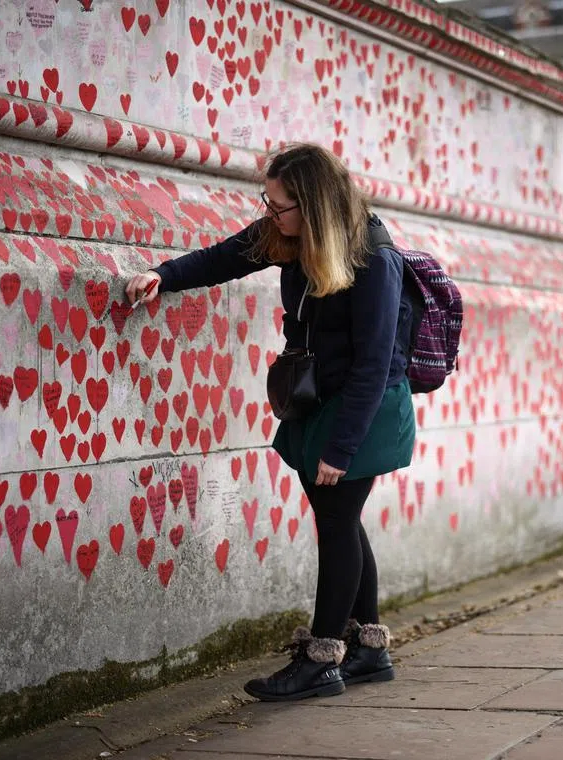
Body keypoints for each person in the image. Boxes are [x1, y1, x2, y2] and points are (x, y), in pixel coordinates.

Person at [125, 143, 416, 702]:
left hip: (364, 407)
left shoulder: (374, 258)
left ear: (312, 204)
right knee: (342, 520)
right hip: (316, 398)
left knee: (335, 523)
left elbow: (375, 364)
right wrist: (162, 275)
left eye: (279, 204)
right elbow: (224, 257)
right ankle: (369, 651)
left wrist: (342, 447)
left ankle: (322, 658)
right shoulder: (290, 235)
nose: (270, 213)